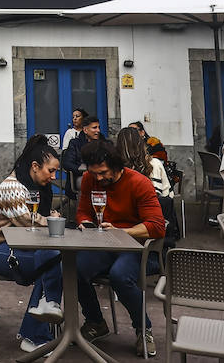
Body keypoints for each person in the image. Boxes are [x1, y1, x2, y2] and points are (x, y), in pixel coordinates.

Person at [74, 141, 166, 358]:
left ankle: (143, 330)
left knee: (120, 275)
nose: (98, 178)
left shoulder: (138, 183)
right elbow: (82, 211)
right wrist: (85, 222)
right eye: (94, 173)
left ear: (116, 166)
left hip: (137, 248)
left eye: (103, 172)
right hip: (104, 245)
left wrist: (122, 232)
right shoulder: (89, 179)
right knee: (73, 268)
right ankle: (96, 322)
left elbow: (156, 226)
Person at [0, 139, 65, 354]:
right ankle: (37, 330)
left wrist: (46, 219)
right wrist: (52, 219)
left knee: (56, 260)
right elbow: (28, 222)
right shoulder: (13, 187)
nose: (54, 176)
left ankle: (41, 321)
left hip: (19, 247)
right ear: (35, 167)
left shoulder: (30, 185)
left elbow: (34, 222)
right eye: (51, 171)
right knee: (54, 260)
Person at [116, 128, 172, 198]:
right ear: (140, 143)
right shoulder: (154, 163)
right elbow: (164, 193)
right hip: (155, 204)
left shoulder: (115, 167)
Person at [61, 115, 109, 180]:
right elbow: (67, 163)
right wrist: (81, 171)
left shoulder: (105, 144)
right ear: (85, 130)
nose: (98, 130)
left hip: (103, 176)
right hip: (81, 176)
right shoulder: (75, 143)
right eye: (94, 128)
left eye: (99, 127)